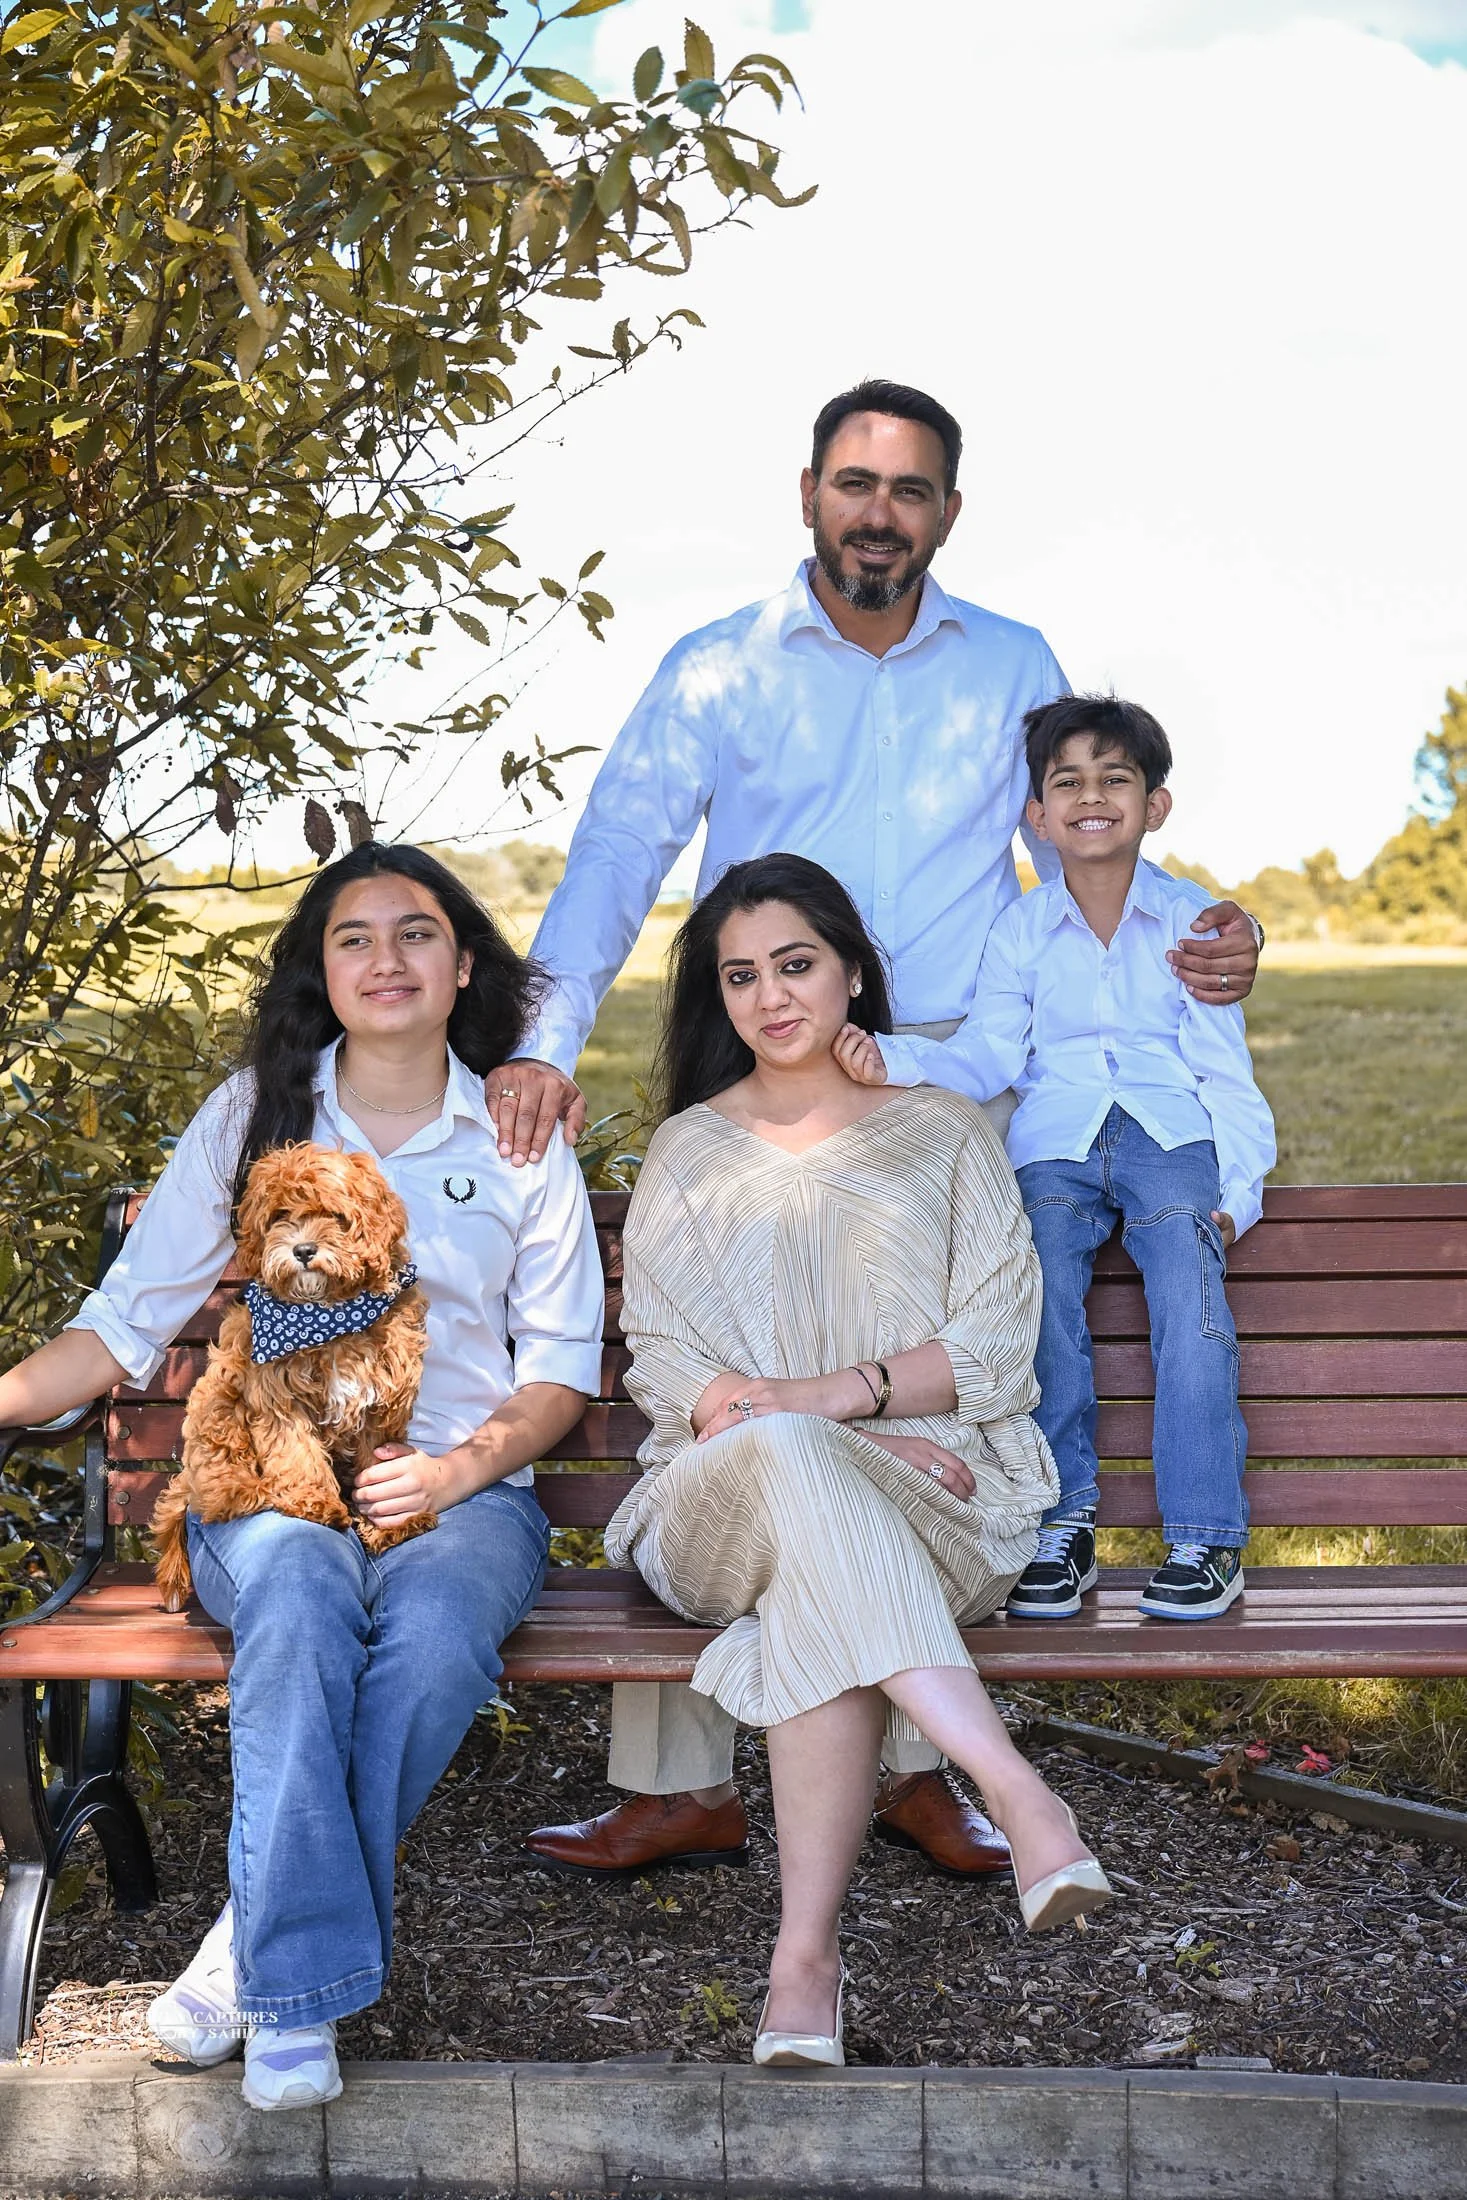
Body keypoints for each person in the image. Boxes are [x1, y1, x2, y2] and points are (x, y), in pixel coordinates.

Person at [504, 377, 1264, 1880]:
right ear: (808, 495)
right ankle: (685, 1781)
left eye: (909, 490)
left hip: (942, 1089)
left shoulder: (1011, 663)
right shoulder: (720, 666)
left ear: (947, 514)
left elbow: (1086, 838)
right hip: (761, 1057)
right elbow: (616, 850)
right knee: (728, 1384)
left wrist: (1208, 935)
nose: (878, 513)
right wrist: (540, 1042)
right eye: (854, 484)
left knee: (902, 1403)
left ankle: (917, 1772)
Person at [0, 843, 603, 2110]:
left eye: (416, 932)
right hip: (269, 1478)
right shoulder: (253, 1115)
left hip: (465, 1493)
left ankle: (253, 1947)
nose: (387, 959)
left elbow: (556, 1373)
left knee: (433, 1641)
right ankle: (297, 2005)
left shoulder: (513, 1130)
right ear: (318, 972)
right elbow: (124, 1321)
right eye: (353, 938)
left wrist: (452, 1475)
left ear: (463, 964)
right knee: (296, 1590)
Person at [604, 853, 1113, 2065]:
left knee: (816, 1581)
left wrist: (831, 1401)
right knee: (788, 1457)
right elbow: (668, 1365)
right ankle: (1011, 1784)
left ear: (851, 972)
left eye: (796, 963)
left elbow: (996, 1346)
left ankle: (804, 1963)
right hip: (718, 1509)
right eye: (740, 975)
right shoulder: (687, 1150)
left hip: (943, 1509)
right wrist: (835, 1429)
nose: (771, 996)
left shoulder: (942, 1131)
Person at [960, 697, 1275, 1622]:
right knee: (1037, 1287)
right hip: (1055, 1138)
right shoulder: (1019, 930)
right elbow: (987, 1054)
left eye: (1115, 779)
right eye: (1067, 782)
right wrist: (887, 1058)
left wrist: (1240, 1192)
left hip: (1168, 1133)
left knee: (1187, 1283)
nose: (1091, 797)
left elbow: (1223, 1071)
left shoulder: (1191, 923)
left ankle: (1205, 1538)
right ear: (1037, 815)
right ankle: (1061, 1525)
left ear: (1154, 805)